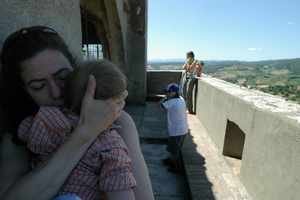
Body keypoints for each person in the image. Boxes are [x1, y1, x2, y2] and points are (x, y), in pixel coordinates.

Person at [0, 26, 154, 200]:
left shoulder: (119, 123)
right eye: (38, 86)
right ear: (24, 92)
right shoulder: (22, 133)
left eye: (63, 77)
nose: (56, 92)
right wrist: (85, 133)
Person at [17, 60, 136, 200]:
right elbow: (120, 190)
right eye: (39, 86)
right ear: (116, 102)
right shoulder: (111, 145)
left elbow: (22, 131)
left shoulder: (46, 118)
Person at [160, 83, 188, 174]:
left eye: (168, 92)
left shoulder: (171, 102)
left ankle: (177, 168)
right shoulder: (181, 99)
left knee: (175, 151)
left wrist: (164, 99)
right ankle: (170, 161)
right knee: (173, 148)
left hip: (177, 131)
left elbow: (160, 105)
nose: (166, 94)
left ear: (173, 93)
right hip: (182, 130)